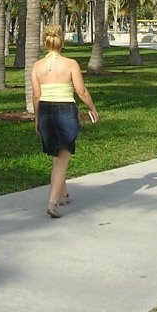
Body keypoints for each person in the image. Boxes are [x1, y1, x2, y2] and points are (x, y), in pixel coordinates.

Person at [31, 24, 99, 218]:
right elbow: (81, 91)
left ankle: (63, 194)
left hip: (45, 110)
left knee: (58, 154)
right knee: (62, 158)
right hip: (64, 111)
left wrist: (37, 119)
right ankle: (52, 203)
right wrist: (92, 108)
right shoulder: (71, 64)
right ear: (62, 42)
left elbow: (36, 96)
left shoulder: (37, 66)